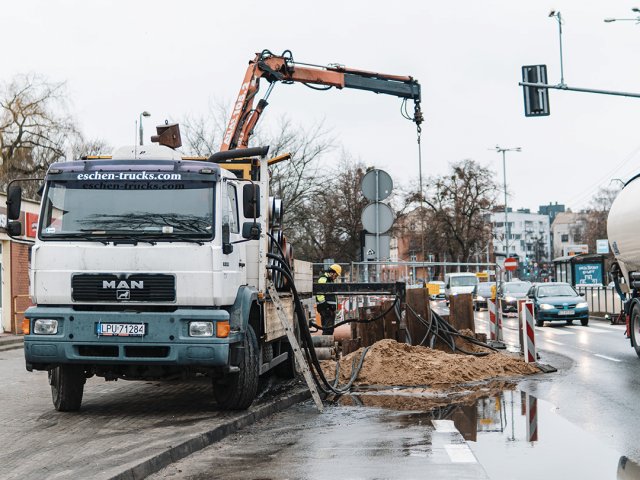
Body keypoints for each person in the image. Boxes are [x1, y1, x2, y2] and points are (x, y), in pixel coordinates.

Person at [316, 264, 341, 335]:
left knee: (328, 328)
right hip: (326, 308)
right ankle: (327, 342)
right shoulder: (323, 279)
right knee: (328, 329)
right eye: (335, 275)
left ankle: (327, 341)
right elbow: (319, 293)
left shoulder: (329, 280)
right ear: (332, 272)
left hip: (328, 308)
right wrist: (325, 305)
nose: (336, 277)